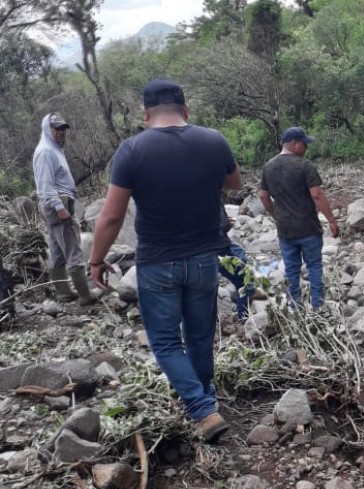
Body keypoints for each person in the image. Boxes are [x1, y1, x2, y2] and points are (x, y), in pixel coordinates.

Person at [89, 79, 241, 443]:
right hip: (204, 257)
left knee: (167, 342)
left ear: (145, 114)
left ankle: (202, 409)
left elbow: (111, 217)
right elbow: (234, 183)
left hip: (158, 261)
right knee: (201, 334)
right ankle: (206, 398)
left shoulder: (132, 150)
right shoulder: (213, 140)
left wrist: (96, 259)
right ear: (185, 110)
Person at [258, 127, 340, 310]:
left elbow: (263, 196)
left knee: (292, 270)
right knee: (314, 266)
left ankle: (295, 307)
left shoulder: (268, 167)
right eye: (304, 144)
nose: (306, 148)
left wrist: (275, 215)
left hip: (285, 230)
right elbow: (317, 195)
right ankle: (318, 306)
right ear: (294, 143)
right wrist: (332, 221)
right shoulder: (304, 166)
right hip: (308, 227)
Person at [32, 113, 97, 306]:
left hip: (57, 204)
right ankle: (86, 296)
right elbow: (45, 186)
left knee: (57, 251)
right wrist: (60, 208)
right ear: (47, 129)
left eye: (63, 129)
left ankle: (65, 293)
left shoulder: (52, 149)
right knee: (73, 250)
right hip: (58, 204)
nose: (60, 132)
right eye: (56, 128)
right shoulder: (46, 152)